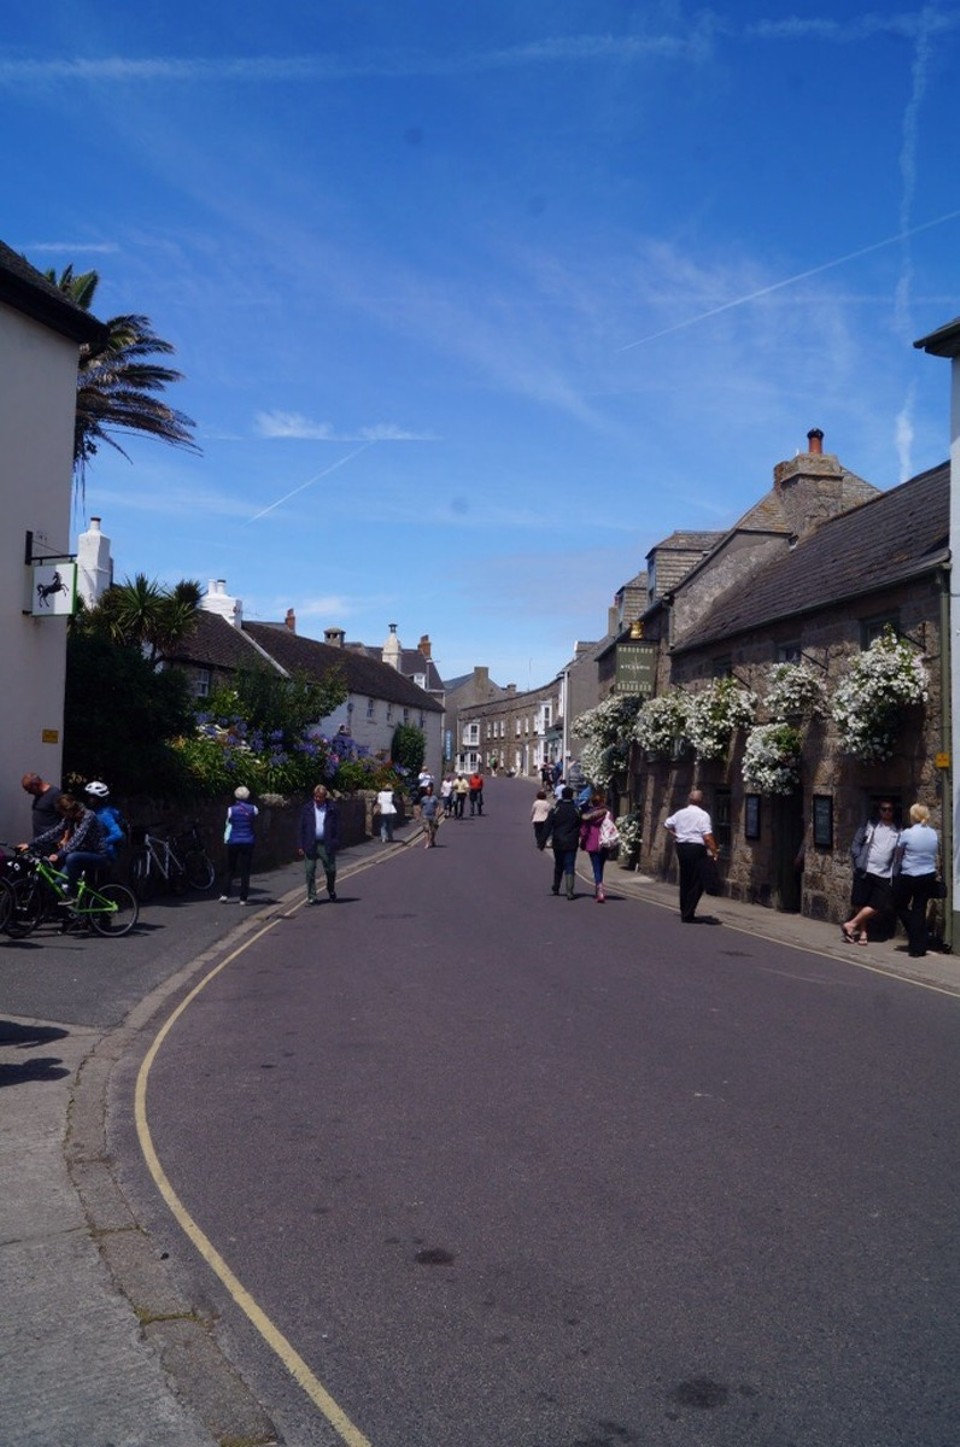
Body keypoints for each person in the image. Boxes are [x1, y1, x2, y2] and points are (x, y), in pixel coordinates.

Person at [842, 799, 900, 944]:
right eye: (884, 809)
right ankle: (863, 933)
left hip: (885, 873)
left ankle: (851, 924)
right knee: (861, 902)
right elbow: (856, 844)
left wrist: (896, 870)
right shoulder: (870, 825)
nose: (887, 812)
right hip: (866, 870)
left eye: (890, 809)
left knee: (878, 904)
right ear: (879, 811)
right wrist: (858, 861)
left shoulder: (898, 829)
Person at [29, 794, 107, 898]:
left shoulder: (88, 816)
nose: (62, 815)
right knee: (57, 884)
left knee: (71, 857)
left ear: (68, 810)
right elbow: (55, 831)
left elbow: (77, 839)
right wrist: (32, 843)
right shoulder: (70, 818)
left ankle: (72, 892)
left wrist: (59, 854)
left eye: (62, 812)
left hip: (97, 854)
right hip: (80, 854)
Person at [664, 789, 719, 923]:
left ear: (689, 799)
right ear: (702, 800)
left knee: (685, 878)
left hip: (682, 848)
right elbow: (707, 836)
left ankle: (685, 911)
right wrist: (714, 851)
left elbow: (666, 824)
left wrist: (676, 834)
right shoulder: (703, 815)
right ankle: (688, 912)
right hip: (696, 848)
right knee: (698, 880)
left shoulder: (680, 813)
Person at [892, 803, 939, 958]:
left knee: (899, 904)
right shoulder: (933, 833)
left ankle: (917, 936)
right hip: (928, 875)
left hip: (910, 874)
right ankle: (918, 947)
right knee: (919, 909)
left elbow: (898, 854)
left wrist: (895, 871)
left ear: (913, 816)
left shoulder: (907, 833)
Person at [298, 784, 341, 904]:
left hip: (326, 843)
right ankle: (312, 896)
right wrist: (300, 845)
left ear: (324, 796)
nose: (317, 799)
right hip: (311, 843)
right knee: (309, 871)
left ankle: (331, 889)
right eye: (315, 797)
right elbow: (301, 827)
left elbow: (337, 827)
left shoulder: (332, 808)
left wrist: (335, 842)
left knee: (331, 870)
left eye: (320, 797)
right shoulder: (307, 808)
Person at [221, 785, 258, 904]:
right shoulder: (254, 809)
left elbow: (229, 822)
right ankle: (243, 898)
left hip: (234, 841)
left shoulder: (231, 809)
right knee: (245, 871)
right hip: (248, 841)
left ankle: (225, 895)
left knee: (230, 868)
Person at [547, 786, 581, 899]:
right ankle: (569, 891)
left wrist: (542, 841)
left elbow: (549, 824)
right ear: (572, 795)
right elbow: (581, 824)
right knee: (570, 865)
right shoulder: (576, 809)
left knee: (558, 865)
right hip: (572, 842)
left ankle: (556, 887)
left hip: (558, 841)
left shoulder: (556, 809)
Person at [579, 790, 613, 903]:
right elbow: (611, 826)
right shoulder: (608, 813)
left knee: (596, 867)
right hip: (604, 843)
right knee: (601, 866)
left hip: (592, 843)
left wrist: (582, 842)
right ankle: (599, 888)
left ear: (592, 803)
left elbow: (583, 831)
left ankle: (599, 890)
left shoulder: (588, 816)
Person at [83, 781, 126, 861]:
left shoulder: (105, 815)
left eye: (93, 797)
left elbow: (118, 834)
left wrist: (101, 841)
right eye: (89, 797)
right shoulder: (92, 812)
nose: (90, 800)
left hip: (106, 852)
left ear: (100, 799)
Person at [21, 772, 63, 837]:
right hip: (39, 840)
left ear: (35, 786)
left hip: (52, 840)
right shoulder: (38, 796)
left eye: (29, 790)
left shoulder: (54, 794)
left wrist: (65, 838)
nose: (29, 793)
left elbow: (66, 817)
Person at [420, 783, 442, 848]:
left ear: (431, 791)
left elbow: (438, 806)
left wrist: (437, 815)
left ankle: (432, 840)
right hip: (425, 816)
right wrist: (421, 815)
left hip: (433, 816)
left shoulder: (434, 798)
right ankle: (427, 842)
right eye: (427, 790)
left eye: (429, 790)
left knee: (433, 830)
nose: (428, 791)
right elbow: (421, 806)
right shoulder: (423, 798)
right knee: (426, 830)